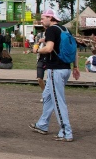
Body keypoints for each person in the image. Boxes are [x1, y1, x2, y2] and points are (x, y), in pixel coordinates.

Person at [29, 9, 79, 141]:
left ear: (50, 18)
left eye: (43, 18)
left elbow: (49, 48)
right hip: (65, 69)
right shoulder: (65, 30)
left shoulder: (51, 30)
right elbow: (74, 50)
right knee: (47, 96)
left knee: (58, 101)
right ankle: (42, 124)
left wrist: (36, 50)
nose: (41, 20)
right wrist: (76, 67)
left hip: (55, 69)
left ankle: (66, 131)